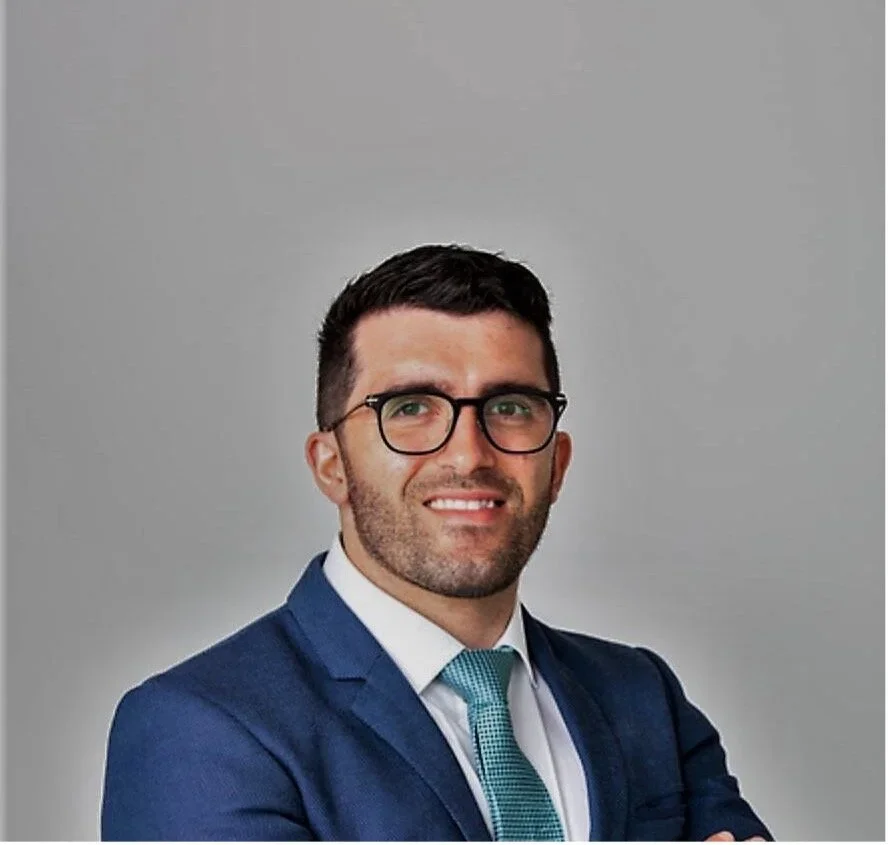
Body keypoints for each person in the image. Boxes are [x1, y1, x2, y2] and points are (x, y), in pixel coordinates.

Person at [101, 245, 772, 841]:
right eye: (411, 408)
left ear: (557, 462)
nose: (469, 454)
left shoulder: (642, 697)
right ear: (330, 462)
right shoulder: (202, 730)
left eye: (510, 407)